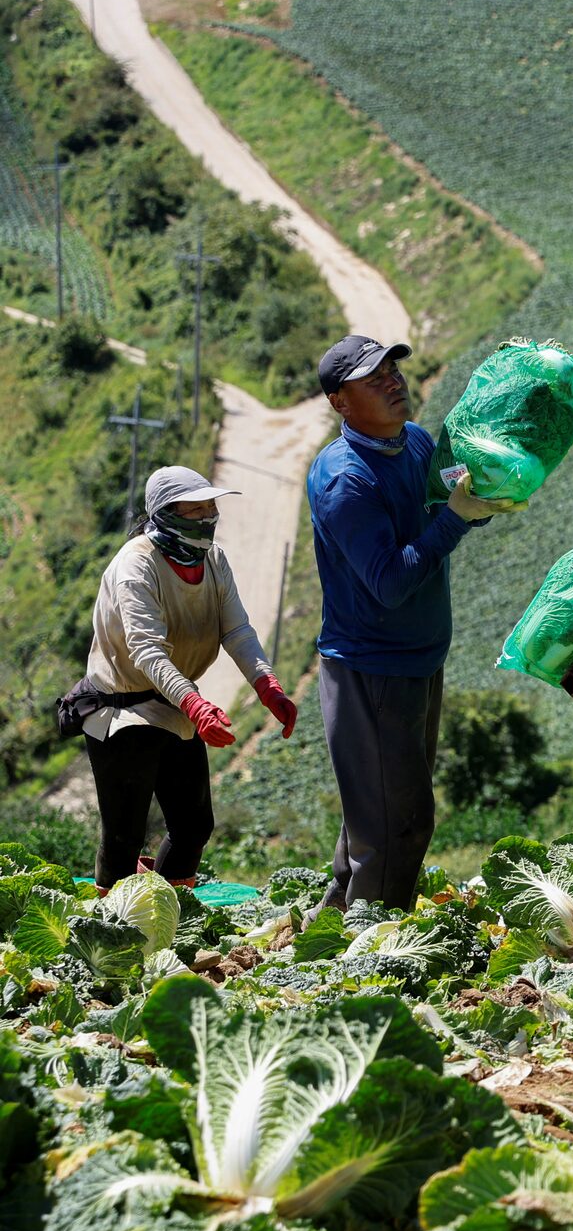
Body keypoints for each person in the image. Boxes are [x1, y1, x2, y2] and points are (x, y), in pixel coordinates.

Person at [308, 333, 519, 911]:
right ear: (340, 402)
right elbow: (391, 583)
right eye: (372, 379)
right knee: (399, 823)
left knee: (377, 810)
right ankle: (372, 959)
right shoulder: (346, 480)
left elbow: (447, 513)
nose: (393, 382)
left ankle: (335, 924)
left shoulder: (418, 445)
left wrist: (481, 504)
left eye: (393, 371)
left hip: (418, 660)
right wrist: (454, 520)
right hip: (371, 667)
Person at [77, 466, 298, 890]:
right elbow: (146, 651)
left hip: (175, 703)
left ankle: (171, 909)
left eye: (210, 508)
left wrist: (266, 684)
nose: (206, 519)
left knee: (194, 825)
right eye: (194, 510)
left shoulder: (213, 560)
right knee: (124, 835)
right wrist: (196, 705)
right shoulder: (135, 567)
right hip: (123, 710)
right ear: (165, 514)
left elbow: (236, 630)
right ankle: (113, 927)